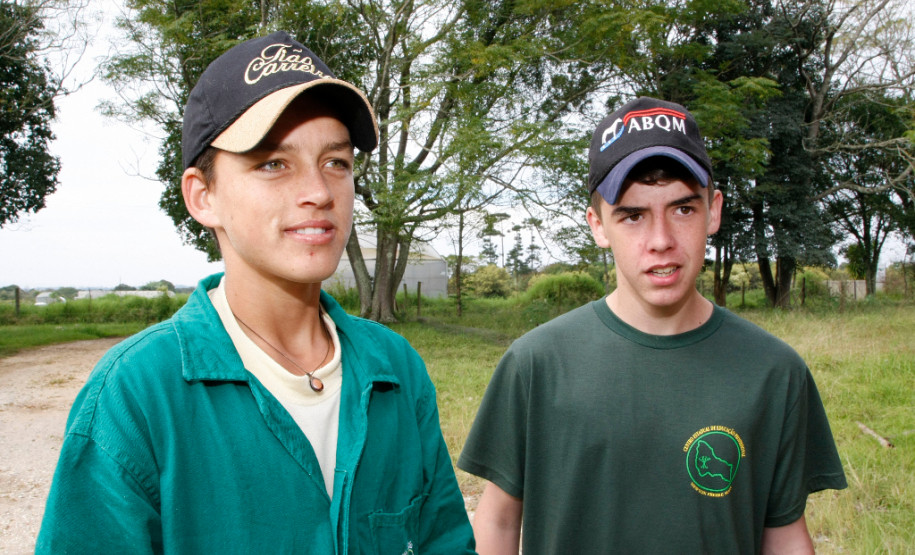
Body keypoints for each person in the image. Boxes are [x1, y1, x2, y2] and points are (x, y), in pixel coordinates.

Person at [37, 31, 474, 553]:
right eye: (273, 163)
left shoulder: (395, 370)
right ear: (203, 197)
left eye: (337, 162)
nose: (318, 192)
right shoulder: (135, 395)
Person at [458, 96, 847, 553]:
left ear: (714, 211)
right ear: (598, 225)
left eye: (683, 209)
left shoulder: (774, 372)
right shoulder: (535, 364)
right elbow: (499, 526)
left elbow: (783, 536)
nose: (660, 241)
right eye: (633, 215)